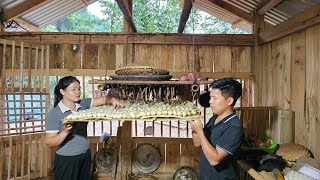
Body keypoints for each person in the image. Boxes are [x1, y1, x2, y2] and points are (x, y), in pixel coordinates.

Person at [44, 76, 123, 180]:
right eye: (73, 89)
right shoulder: (55, 114)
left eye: (79, 89)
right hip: (67, 160)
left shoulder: (82, 104)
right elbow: (49, 142)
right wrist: (65, 132)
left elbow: (104, 99)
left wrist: (113, 100)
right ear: (62, 91)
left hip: (85, 155)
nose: (78, 92)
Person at [189, 77, 244, 180]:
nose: (210, 102)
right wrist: (194, 125)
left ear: (229, 101)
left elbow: (215, 160)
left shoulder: (234, 127)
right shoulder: (214, 118)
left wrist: (200, 131)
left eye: (214, 98)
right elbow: (197, 143)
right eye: (210, 97)